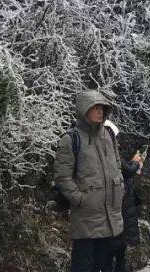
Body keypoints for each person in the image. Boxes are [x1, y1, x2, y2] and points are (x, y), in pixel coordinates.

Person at [53, 90, 125, 272]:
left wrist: (120, 187)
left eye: (102, 108)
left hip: (111, 217)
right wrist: (80, 199)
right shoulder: (71, 139)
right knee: (83, 266)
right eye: (95, 108)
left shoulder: (108, 135)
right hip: (86, 218)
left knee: (107, 265)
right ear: (84, 110)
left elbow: (117, 165)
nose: (100, 112)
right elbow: (62, 177)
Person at [102, 120, 143, 272]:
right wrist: (136, 163)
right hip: (120, 206)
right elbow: (127, 170)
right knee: (117, 249)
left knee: (115, 251)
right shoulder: (110, 154)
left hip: (119, 206)